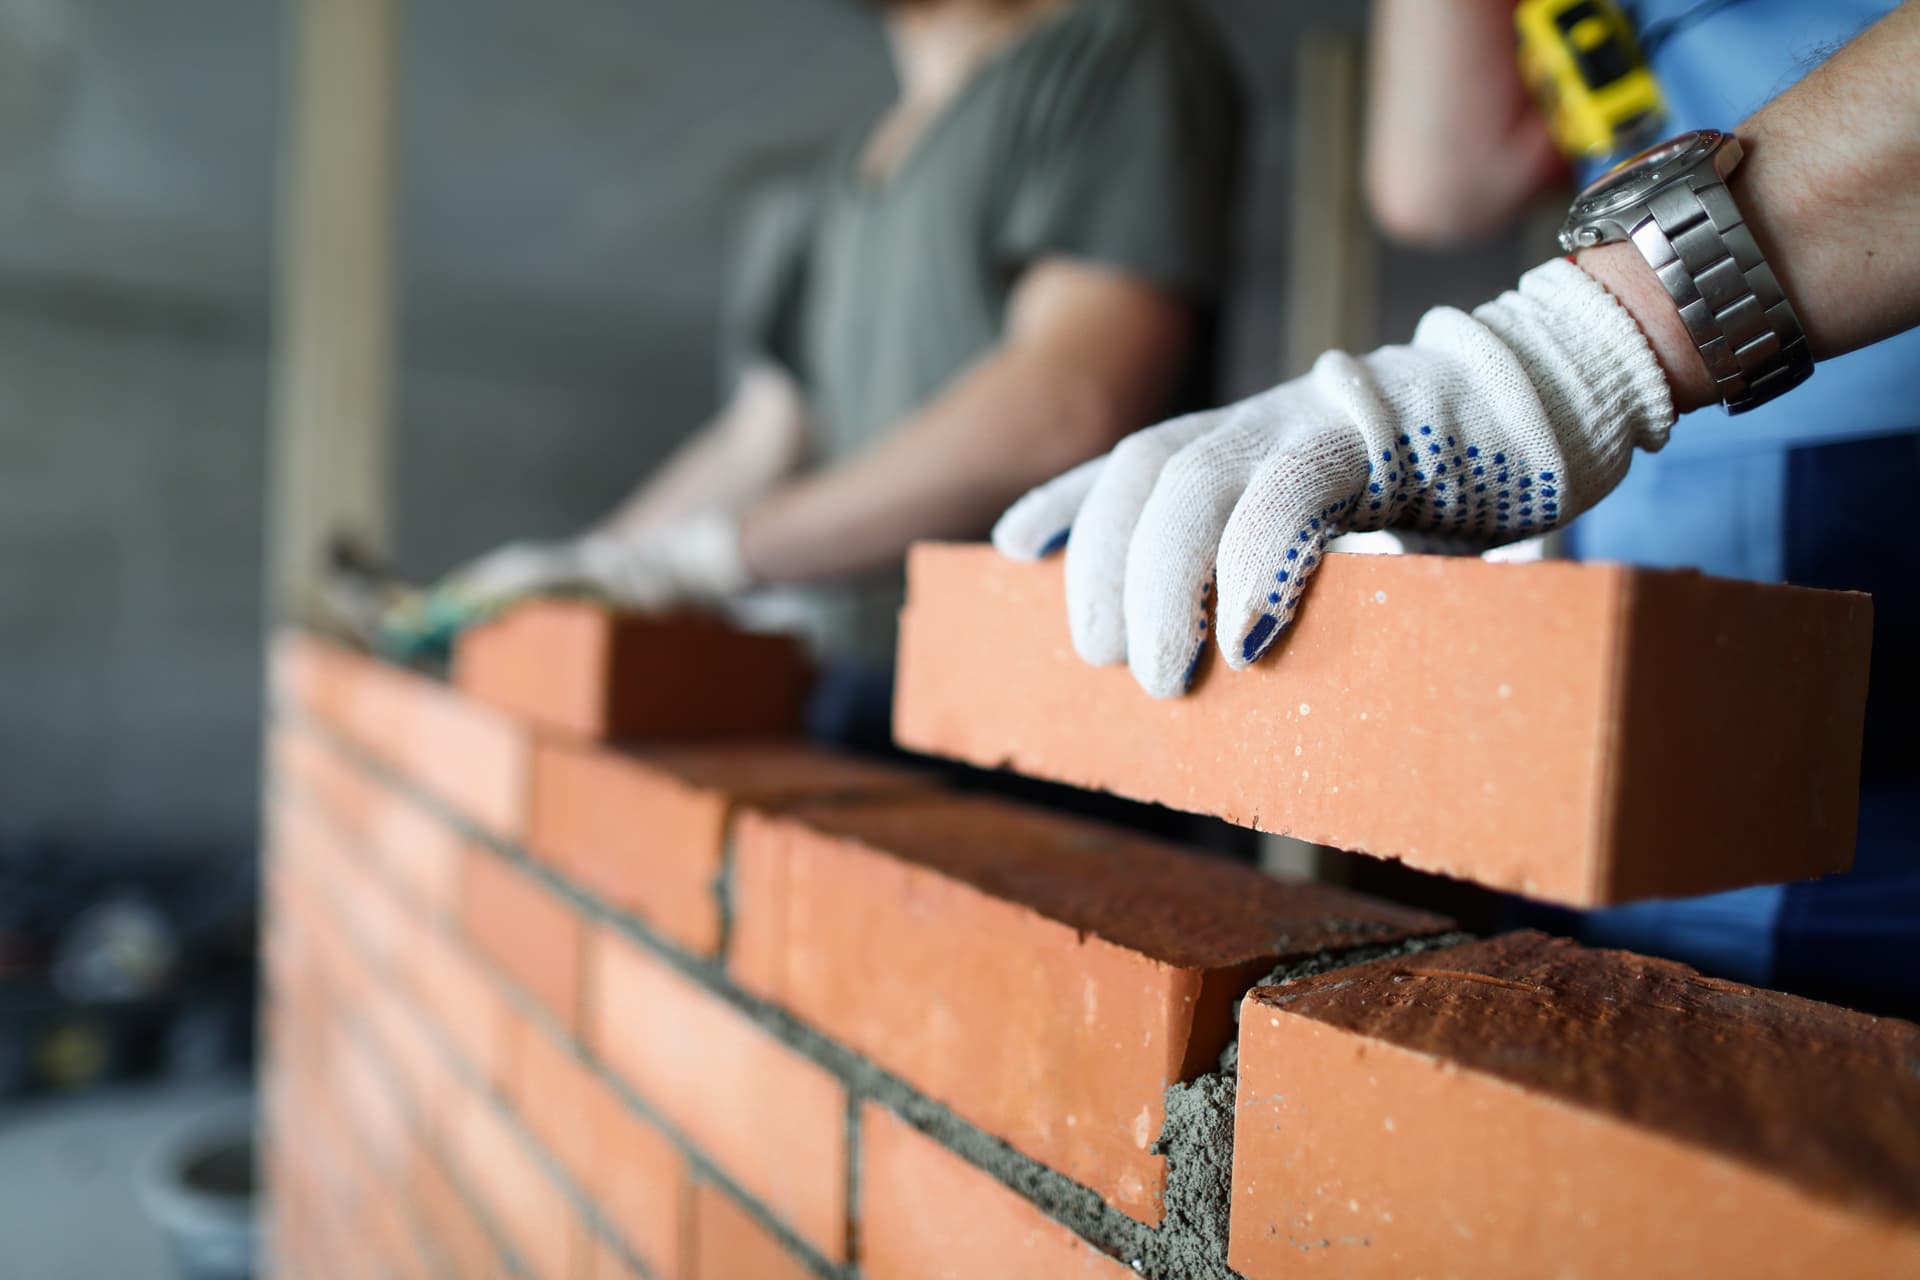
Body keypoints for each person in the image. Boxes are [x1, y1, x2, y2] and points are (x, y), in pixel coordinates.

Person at [993, 1, 1919, 1012]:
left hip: (1860, 412)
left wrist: (1581, 349)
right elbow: (1440, 177)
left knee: (1849, 1025)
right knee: (1682, 990)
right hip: (1651, 457)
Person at [435, 0, 1242, 742]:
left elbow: (1064, 400)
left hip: (1057, 702)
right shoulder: (838, 175)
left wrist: (718, 557)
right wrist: (595, 562)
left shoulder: (1116, 52)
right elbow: (762, 440)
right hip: (859, 687)